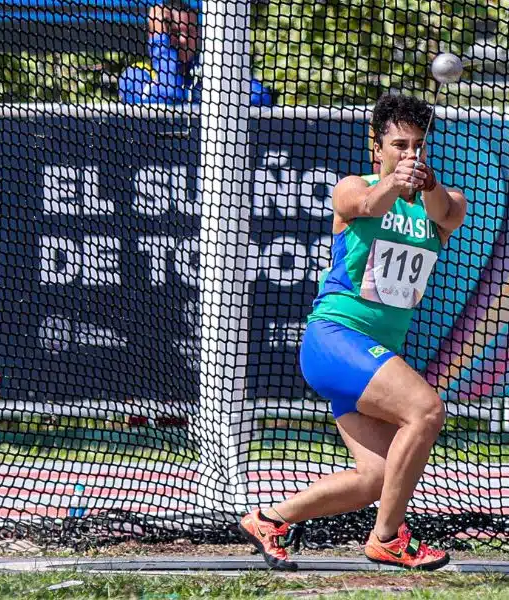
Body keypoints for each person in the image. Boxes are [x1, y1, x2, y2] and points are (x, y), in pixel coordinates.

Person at [239, 94, 468, 571]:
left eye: (418, 146)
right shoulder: (351, 186)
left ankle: (271, 520)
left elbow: (446, 213)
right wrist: (393, 183)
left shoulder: (443, 204)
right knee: (425, 411)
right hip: (334, 339)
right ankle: (388, 537)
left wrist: (423, 185)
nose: (410, 155)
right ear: (376, 148)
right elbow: (366, 203)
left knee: (377, 477)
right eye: (399, 145)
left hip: (370, 353)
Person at [118, 1, 274, 106]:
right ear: (155, 34)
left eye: (189, 32)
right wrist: (161, 42)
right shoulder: (135, 75)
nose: (184, 40)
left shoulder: (210, 69)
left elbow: (260, 96)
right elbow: (169, 94)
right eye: (174, 32)